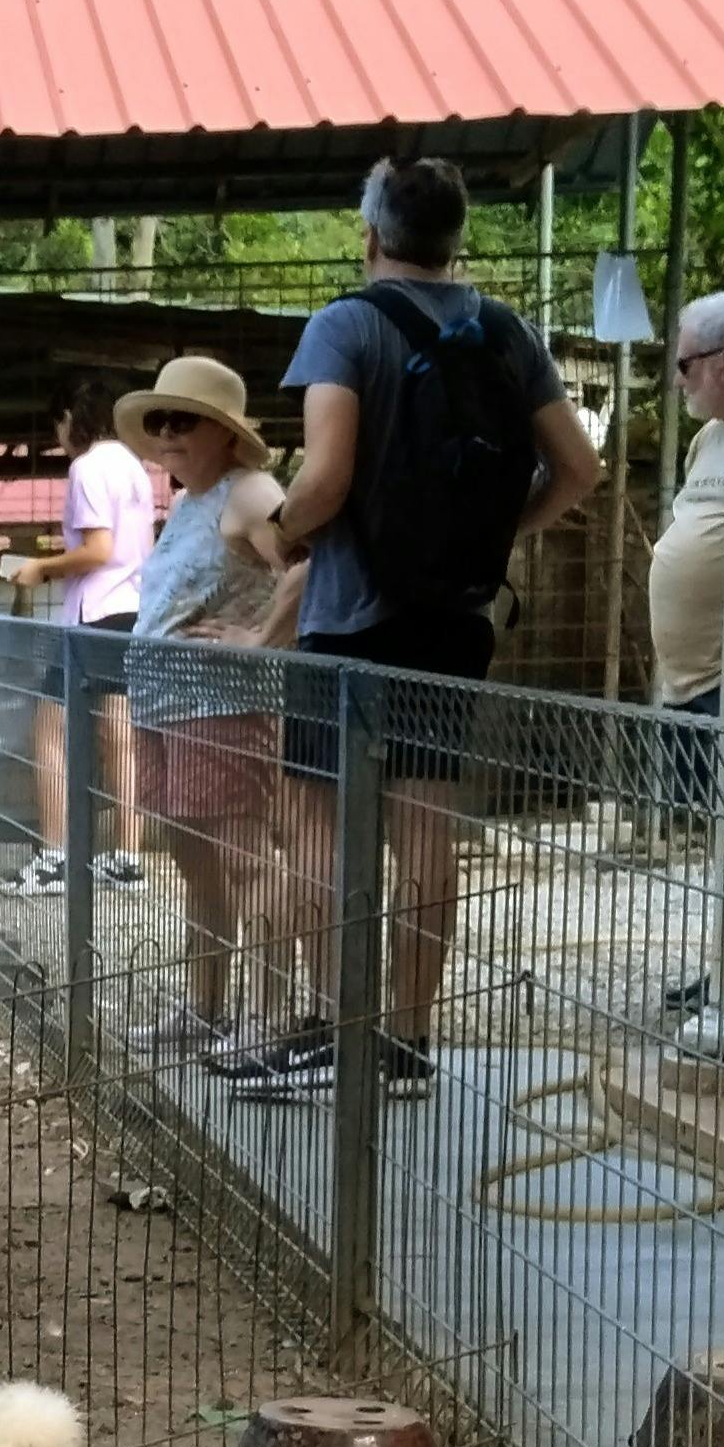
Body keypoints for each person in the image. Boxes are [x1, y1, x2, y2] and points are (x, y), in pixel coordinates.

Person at [222, 158, 601, 1102]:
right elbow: (580, 471)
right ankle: (409, 1041)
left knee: (316, 820)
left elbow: (326, 481)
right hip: (454, 621)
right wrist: (493, 533)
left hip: (352, 620)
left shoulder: (345, 325)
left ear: (371, 237)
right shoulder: (509, 334)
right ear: (456, 237)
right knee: (426, 826)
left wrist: (275, 533)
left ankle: (330, 1025)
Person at [113, 358, 303, 1052]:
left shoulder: (250, 491)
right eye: (159, 421)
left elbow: (306, 565)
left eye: (182, 420)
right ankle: (206, 1008)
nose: (167, 433)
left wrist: (260, 640)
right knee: (197, 865)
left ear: (223, 432)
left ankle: (270, 1017)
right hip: (164, 707)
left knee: (247, 860)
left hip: (221, 706)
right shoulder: (194, 499)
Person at [1, 379, 152, 896]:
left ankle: (55, 857)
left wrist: (39, 568)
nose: (59, 435)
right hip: (134, 610)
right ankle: (129, 856)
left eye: (57, 424)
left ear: (70, 416)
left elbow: (98, 550)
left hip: (96, 612)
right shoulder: (135, 466)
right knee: (120, 736)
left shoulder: (86, 467)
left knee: (49, 729)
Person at [649, 291, 724, 1017]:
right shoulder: (709, 440)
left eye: (685, 365)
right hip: (686, 681)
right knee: (720, 838)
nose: (679, 380)